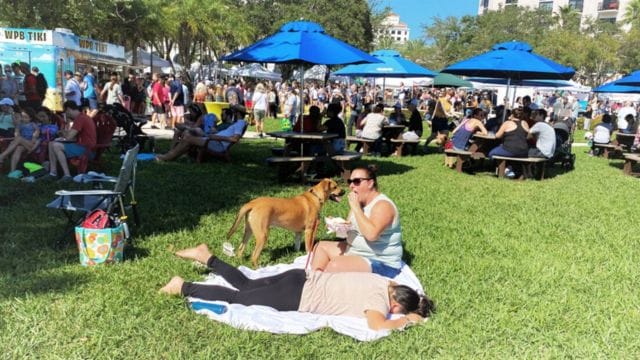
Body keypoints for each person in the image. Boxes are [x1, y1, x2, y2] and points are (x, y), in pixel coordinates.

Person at [160, 244, 435, 330]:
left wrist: (417, 300)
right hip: (295, 296)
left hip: (299, 278)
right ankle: (184, 287)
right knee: (238, 298)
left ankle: (206, 256)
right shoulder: (380, 304)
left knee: (247, 284)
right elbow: (377, 325)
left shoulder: (384, 283)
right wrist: (406, 320)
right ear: (396, 305)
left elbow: (400, 284)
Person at [311, 165, 403, 278]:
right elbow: (347, 230)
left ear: (370, 183)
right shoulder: (358, 203)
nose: (351, 186)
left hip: (379, 261)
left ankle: (324, 283)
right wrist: (336, 225)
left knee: (335, 266)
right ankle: (315, 280)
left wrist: (356, 208)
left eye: (356, 181)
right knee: (320, 247)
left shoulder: (383, 205)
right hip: (355, 251)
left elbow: (371, 235)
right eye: (350, 181)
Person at [156, 105, 247, 162]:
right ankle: (174, 155)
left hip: (217, 144)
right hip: (213, 140)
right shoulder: (238, 123)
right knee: (188, 135)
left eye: (234, 110)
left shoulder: (240, 123)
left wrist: (214, 137)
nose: (233, 111)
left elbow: (235, 139)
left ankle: (167, 157)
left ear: (237, 113)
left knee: (188, 138)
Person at [47, 101, 97, 181]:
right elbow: (73, 136)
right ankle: (53, 172)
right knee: (51, 143)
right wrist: (64, 134)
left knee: (56, 145)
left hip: (87, 149)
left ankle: (67, 175)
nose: (66, 115)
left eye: (65, 112)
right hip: (84, 146)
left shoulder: (80, 119)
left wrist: (62, 132)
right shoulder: (82, 117)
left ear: (68, 109)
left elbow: (69, 137)